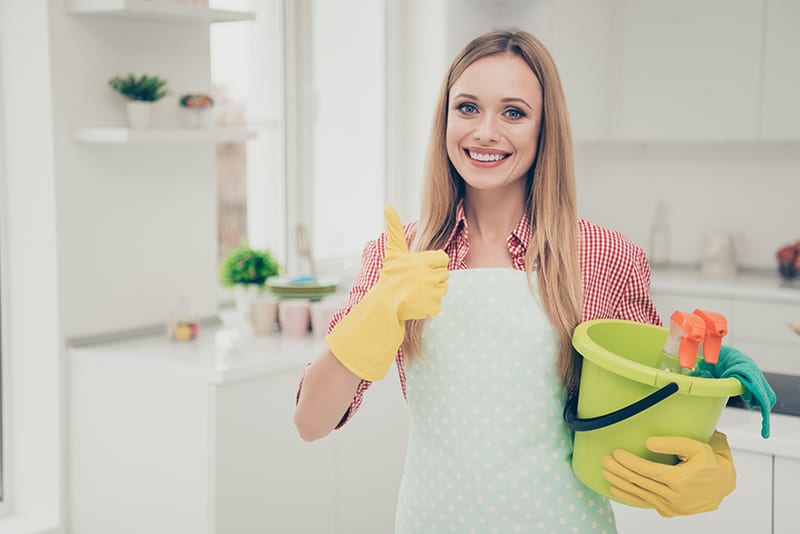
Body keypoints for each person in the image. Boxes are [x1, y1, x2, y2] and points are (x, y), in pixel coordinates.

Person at [293, 29, 736, 532]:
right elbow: (312, 421)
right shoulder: (400, 255)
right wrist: (378, 310)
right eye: (466, 108)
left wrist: (714, 458)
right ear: (444, 121)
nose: (485, 131)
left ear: (544, 129)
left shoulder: (602, 255)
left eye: (514, 112)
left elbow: (652, 406)